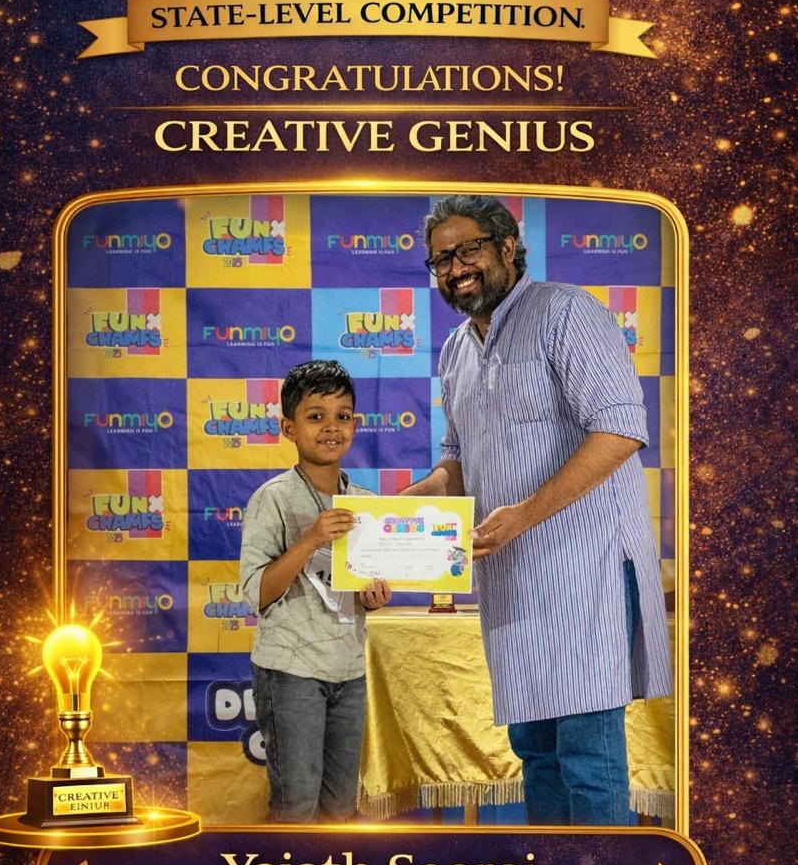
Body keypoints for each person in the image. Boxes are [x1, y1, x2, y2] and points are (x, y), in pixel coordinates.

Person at [406, 194, 672, 826]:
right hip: (512, 583)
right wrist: (386, 513)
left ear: (508, 247)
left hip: (585, 574)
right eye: (442, 259)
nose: (455, 268)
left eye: (468, 250)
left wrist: (523, 514)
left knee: (586, 757)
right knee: (537, 755)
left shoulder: (565, 312)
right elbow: (455, 464)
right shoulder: (455, 350)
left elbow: (619, 431)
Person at [240, 360, 391, 822]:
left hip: (348, 670)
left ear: (355, 425)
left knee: (341, 808)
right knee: (296, 805)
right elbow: (256, 592)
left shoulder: (365, 504)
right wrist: (309, 540)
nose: (331, 427)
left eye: (342, 416)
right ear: (289, 428)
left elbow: (363, 587)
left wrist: (373, 597)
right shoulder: (273, 498)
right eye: (315, 416)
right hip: (291, 671)